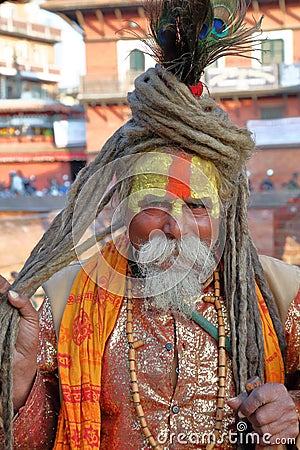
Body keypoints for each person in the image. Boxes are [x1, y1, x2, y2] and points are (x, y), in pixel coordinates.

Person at [0, 0, 299, 449]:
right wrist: (19, 379)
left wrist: (294, 412)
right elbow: (39, 435)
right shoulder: (62, 305)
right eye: (155, 204)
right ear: (122, 208)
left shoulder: (281, 295)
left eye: (197, 206)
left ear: (224, 215)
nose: (175, 228)